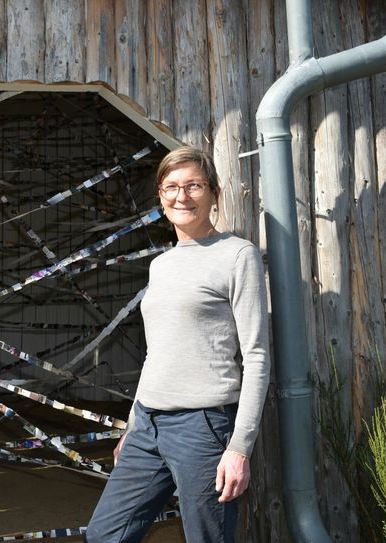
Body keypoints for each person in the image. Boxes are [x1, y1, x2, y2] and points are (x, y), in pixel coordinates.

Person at [84, 146, 270, 543]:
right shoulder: (162, 264)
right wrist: (134, 426)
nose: (181, 196)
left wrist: (239, 448)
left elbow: (256, 357)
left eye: (194, 186)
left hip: (203, 427)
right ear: (160, 198)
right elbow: (158, 353)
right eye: (171, 187)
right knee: (105, 534)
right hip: (148, 425)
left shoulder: (237, 255)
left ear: (214, 193)